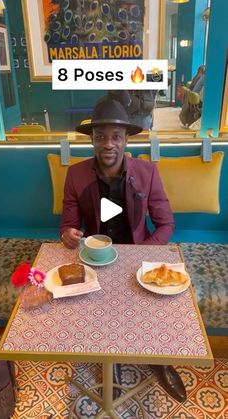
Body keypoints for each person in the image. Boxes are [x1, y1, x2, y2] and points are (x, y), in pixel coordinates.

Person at [60, 98, 186, 403]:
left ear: (126, 139)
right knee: (93, 307)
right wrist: (69, 235)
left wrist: (140, 253)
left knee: (156, 304)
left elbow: (166, 224)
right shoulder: (75, 175)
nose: (108, 144)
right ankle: (109, 362)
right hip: (97, 256)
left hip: (136, 252)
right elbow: (67, 225)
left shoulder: (147, 172)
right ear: (92, 140)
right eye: (100, 136)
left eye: (116, 136)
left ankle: (158, 359)